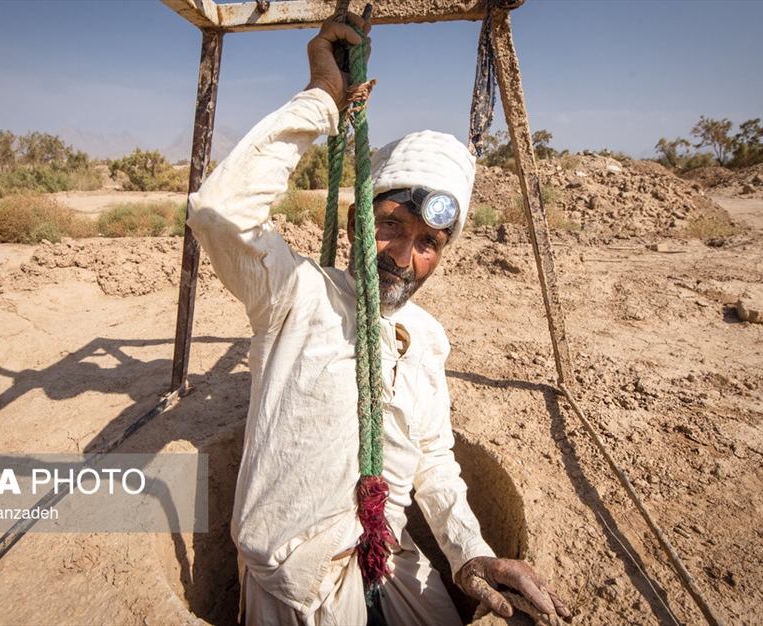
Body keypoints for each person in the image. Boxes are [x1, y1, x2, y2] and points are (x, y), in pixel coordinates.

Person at [187, 12, 570, 626]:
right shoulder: (296, 297)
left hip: (390, 564)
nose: (403, 255)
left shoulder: (426, 339)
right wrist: (321, 102)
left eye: (428, 242)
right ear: (356, 224)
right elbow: (219, 214)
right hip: (297, 588)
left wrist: (471, 554)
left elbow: (432, 460)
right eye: (390, 224)